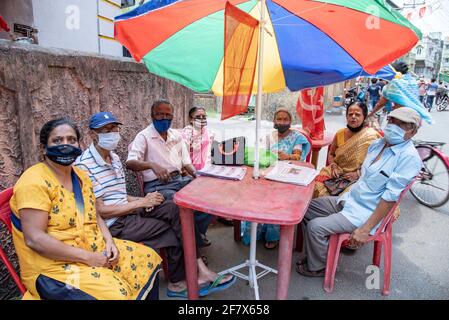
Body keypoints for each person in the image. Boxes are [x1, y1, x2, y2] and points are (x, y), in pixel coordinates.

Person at [75, 112, 235, 298]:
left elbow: (119, 196)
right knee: (174, 229)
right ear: (93, 134)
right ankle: (180, 281)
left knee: (176, 209)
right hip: (115, 224)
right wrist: (142, 201)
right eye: (106, 130)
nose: (112, 133)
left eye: (114, 129)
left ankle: (197, 270)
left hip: (132, 210)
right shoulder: (84, 165)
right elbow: (100, 210)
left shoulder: (114, 158)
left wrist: (147, 199)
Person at [9, 118, 161, 300]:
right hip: (53, 267)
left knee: (147, 258)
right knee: (117, 293)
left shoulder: (81, 177)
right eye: (57, 141)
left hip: (92, 246)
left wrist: (109, 241)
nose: (65, 145)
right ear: (43, 148)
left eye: (71, 140)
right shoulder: (34, 182)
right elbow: (35, 239)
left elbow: (94, 214)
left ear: (79, 144)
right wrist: (88, 258)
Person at [295, 108, 422, 277]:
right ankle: (322, 252)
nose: (393, 126)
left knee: (315, 227)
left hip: (365, 212)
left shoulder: (409, 158)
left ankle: (319, 266)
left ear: (412, 131)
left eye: (401, 125)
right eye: (392, 121)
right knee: (304, 209)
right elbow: (361, 173)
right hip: (349, 199)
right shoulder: (378, 144)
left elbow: (390, 198)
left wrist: (365, 229)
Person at [126, 100, 213, 247]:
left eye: (168, 115)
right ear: (152, 116)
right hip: (157, 186)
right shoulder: (144, 136)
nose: (164, 118)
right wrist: (151, 165)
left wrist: (196, 175)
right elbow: (130, 163)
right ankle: (194, 246)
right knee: (181, 203)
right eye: (160, 114)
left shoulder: (176, 136)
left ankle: (196, 234)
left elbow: (186, 163)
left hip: (179, 180)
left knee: (208, 197)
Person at [241, 109, 311, 250]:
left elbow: (298, 156)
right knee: (253, 195)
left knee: (276, 201)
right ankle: (256, 231)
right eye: (279, 119)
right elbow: (261, 153)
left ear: (290, 122)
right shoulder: (270, 136)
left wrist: (287, 156)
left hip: (286, 175)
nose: (282, 122)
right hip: (268, 172)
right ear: (274, 121)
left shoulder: (296, 137)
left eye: (285, 119)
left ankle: (273, 235)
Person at [314, 102, 381, 198]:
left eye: (357, 114)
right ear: (346, 117)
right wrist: (333, 166)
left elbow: (377, 162)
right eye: (350, 114)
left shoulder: (372, 136)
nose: (353, 117)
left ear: (364, 117)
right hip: (336, 172)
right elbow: (331, 154)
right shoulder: (340, 133)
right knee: (316, 185)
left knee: (347, 197)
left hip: (359, 176)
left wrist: (358, 174)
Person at [368, 61, 433, 125]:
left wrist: (371, 114)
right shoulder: (413, 83)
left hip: (399, 119)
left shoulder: (393, 85)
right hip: (415, 118)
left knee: (391, 135)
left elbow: (381, 103)